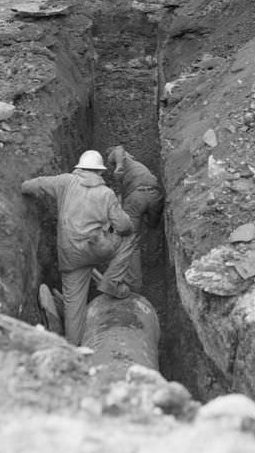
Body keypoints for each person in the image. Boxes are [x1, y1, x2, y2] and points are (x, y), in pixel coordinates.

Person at [21, 150, 135, 346]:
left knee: (74, 306)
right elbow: (124, 227)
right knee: (130, 238)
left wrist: (24, 187)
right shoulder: (106, 194)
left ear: (79, 168)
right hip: (98, 249)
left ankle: (73, 347)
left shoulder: (65, 182)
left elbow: (36, 184)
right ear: (99, 172)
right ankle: (112, 282)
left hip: (70, 255)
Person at [105, 145, 164, 293]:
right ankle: (153, 262)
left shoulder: (120, 159)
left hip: (136, 197)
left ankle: (134, 283)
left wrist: (117, 165)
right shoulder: (138, 168)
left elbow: (118, 149)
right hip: (155, 195)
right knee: (153, 227)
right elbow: (121, 197)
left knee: (130, 241)